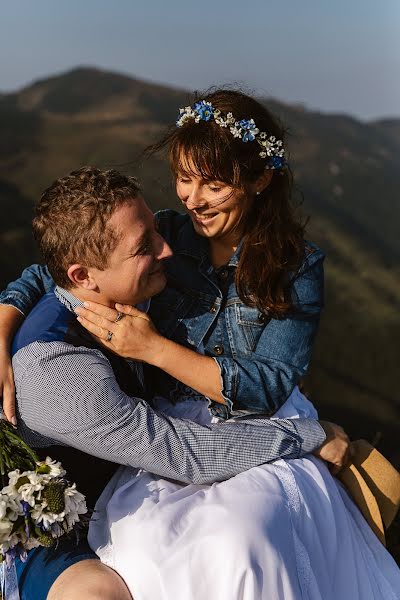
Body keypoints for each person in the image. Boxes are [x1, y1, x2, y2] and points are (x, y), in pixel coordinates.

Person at [0, 90, 398, 597]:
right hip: (169, 426)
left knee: (244, 540)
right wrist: (3, 320)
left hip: (258, 422)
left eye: (212, 184)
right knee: (154, 548)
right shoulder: (170, 231)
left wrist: (154, 349)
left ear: (258, 179)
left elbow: (268, 385)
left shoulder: (295, 266)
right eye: (184, 179)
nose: (191, 199)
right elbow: (59, 269)